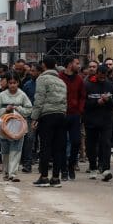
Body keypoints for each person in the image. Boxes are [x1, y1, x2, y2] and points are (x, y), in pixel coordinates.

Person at [30, 57, 68, 188]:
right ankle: (56, 178)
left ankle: (44, 176)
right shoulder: (61, 81)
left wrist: (34, 118)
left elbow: (39, 99)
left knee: (46, 146)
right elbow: (65, 101)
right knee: (58, 148)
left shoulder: (42, 79)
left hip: (47, 116)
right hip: (61, 115)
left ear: (44, 66)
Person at [0, 72, 33, 182]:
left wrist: (18, 108)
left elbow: (29, 110)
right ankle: (6, 172)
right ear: (7, 83)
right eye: (10, 83)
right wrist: (6, 109)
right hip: (4, 127)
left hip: (18, 127)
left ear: (18, 83)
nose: (12, 85)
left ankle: (13, 174)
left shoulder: (22, 95)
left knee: (16, 151)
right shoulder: (2, 95)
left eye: (14, 83)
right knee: (5, 151)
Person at [84, 67, 113, 182]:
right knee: (91, 145)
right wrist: (96, 102)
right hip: (91, 121)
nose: (102, 77)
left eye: (105, 75)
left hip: (106, 121)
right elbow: (84, 102)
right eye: (101, 75)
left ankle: (106, 169)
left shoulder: (110, 86)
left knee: (106, 143)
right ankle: (93, 167)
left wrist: (108, 100)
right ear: (97, 73)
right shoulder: (88, 85)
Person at [58, 57, 85, 180]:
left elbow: (82, 96)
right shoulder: (59, 77)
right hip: (62, 114)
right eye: (77, 63)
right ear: (70, 64)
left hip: (75, 114)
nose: (79, 66)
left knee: (76, 142)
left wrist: (80, 110)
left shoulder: (79, 79)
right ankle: (63, 170)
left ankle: (71, 165)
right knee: (62, 143)